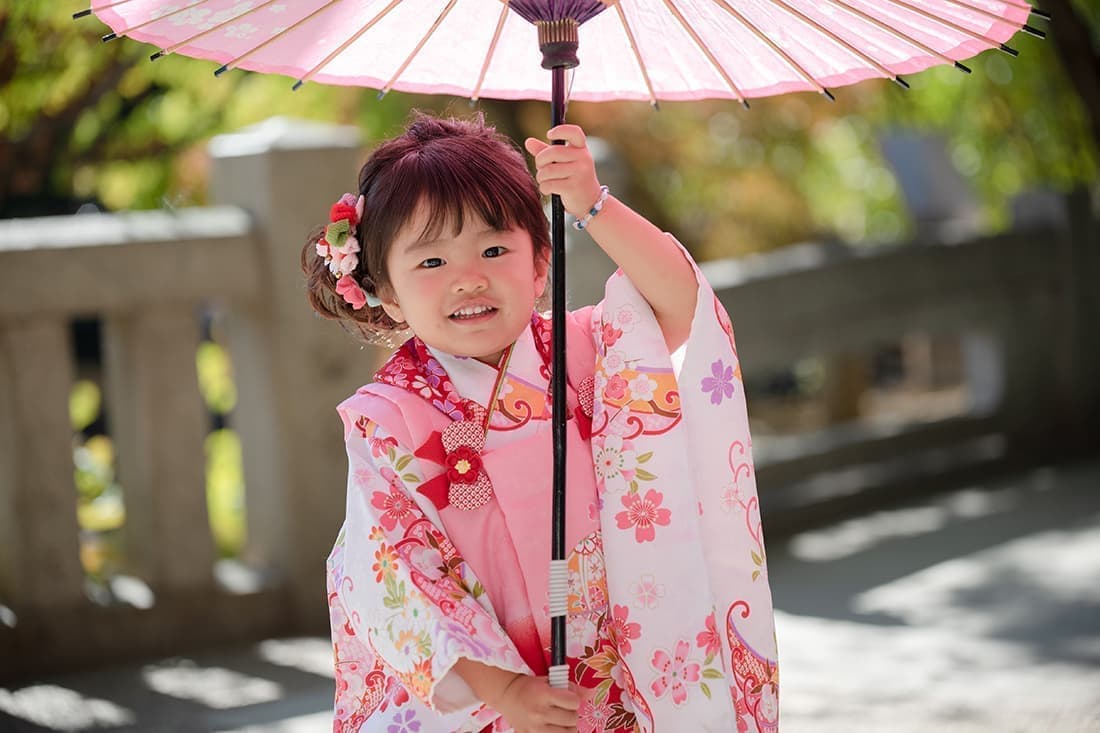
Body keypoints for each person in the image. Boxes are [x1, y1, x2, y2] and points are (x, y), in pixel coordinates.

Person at [303, 113, 780, 733]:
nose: (468, 277)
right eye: (430, 262)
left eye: (494, 248)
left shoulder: (592, 352)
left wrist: (591, 202)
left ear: (539, 262)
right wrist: (504, 690)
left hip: (616, 666)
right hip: (499, 692)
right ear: (386, 291)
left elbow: (681, 301)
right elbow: (394, 571)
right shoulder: (391, 417)